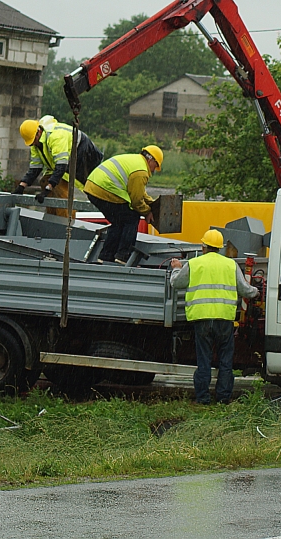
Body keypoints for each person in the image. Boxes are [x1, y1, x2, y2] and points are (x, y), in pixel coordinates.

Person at [169, 230, 258, 404]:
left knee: (204, 361)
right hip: (224, 320)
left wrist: (176, 269)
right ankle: (223, 398)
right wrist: (257, 291)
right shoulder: (230, 265)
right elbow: (245, 290)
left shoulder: (195, 263)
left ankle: (203, 398)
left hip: (202, 319)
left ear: (203, 246)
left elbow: (176, 283)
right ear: (220, 248)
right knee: (225, 362)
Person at [83, 145, 163, 264]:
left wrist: (151, 203)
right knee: (131, 217)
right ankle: (122, 256)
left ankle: (105, 256)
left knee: (118, 222)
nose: (153, 170)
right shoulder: (141, 172)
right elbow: (136, 201)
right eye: (155, 167)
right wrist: (147, 212)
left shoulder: (135, 161)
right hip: (104, 190)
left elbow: (139, 193)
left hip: (93, 187)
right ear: (151, 160)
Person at [13, 118, 103, 218]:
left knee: (60, 186)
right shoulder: (36, 143)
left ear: (39, 132)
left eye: (34, 140)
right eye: (31, 143)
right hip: (63, 161)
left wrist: (49, 187)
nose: (33, 144)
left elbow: (61, 166)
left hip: (83, 154)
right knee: (45, 180)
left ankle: (66, 222)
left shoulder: (56, 137)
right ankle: (52, 218)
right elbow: (35, 168)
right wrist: (21, 186)